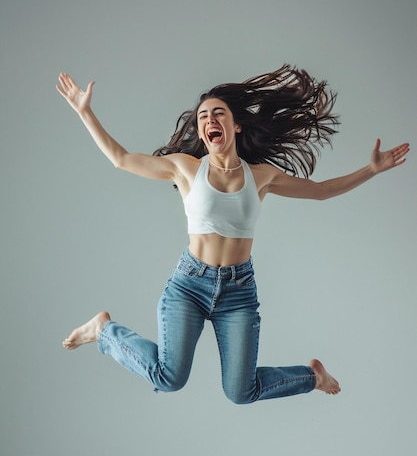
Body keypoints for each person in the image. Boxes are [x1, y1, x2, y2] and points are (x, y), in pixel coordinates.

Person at [56, 66, 409, 404]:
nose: (210, 119)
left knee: (241, 391)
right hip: (189, 286)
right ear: (201, 130)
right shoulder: (184, 167)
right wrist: (85, 112)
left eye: (218, 113)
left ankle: (311, 376)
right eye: (203, 116)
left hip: (238, 292)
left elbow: (320, 191)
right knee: (169, 377)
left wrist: (372, 170)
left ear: (236, 125)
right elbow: (120, 159)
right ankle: (104, 331)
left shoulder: (261, 176)